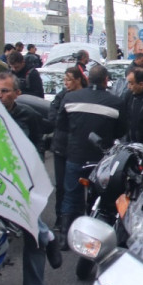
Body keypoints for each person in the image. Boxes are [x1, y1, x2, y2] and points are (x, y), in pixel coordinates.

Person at [0, 72, 63, 285]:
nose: (0, 96)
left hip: (18, 184)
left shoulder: (28, 115)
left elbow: (38, 145)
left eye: (5, 91)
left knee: (33, 236)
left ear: (17, 93)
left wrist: (34, 170)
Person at [56, 64, 127, 232]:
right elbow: (122, 129)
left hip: (75, 154)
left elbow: (61, 125)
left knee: (71, 196)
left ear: (88, 79)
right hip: (101, 157)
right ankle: (95, 231)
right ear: (106, 80)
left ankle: (65, 234)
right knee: (101, 197)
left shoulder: (71, 98)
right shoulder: (116, 102)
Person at [48, 67, 84, 228]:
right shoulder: (61, 96)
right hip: (62, 146)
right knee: (61, 185)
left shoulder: (85, 95)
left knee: (79, 185)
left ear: (77, 79)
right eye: (64, 80)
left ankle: (78, 216)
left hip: (80, 148)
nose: (66, 83)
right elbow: (53, 118)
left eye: (68, 80)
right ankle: (61, 218)